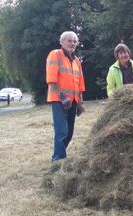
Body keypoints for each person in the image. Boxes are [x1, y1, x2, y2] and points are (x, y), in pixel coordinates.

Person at [46, 31, 85, 162]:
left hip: (73, 101)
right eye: (69, 40)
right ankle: (58, 160)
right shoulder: (55, 55)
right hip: (59, 100)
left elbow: (80, 83)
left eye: (75, 41)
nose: (72, 43)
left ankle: (60, 156)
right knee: (62, 132)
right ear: (61, 42)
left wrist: (80, 102)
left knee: (69, 133)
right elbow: (51, 79)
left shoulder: (77, 62)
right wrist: (62, 97)